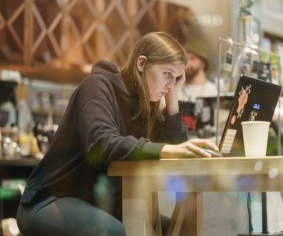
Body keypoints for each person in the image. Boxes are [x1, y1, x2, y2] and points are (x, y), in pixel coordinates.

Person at [16, 32, 218, 236]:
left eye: (177, 78)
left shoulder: (146, 104)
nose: (171, 84)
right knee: (113, 232)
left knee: (179, 229)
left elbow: (176, 153)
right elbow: (101, 144)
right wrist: (167, 150)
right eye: (167, 74)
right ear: (141, 63)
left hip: (102, 204)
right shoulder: (97, 86)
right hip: (52, 199)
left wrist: (173, 99)